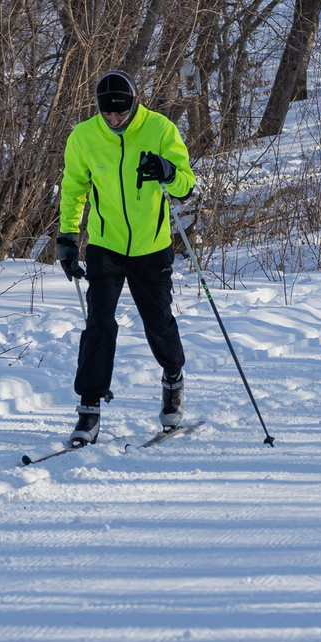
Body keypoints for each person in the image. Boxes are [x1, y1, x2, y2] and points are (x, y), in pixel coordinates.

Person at [55, 71, 196, 446]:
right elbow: (74, 189)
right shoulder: (83, 137)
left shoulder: (161, 130)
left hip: (152, 246)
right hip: (106, 245)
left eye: (121, 113)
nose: (114, 120)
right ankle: (88, 410)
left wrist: (168, 171)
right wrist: (67, 238)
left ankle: (172, 378)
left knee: (158, 322)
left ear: (135, 104)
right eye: (107, 114)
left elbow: (187, 186)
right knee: (99, 324)